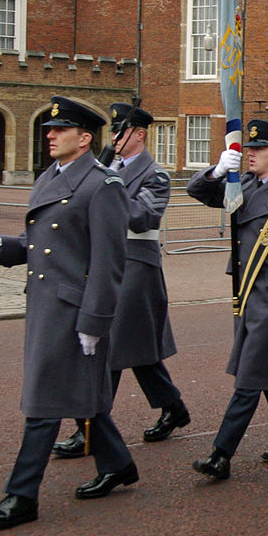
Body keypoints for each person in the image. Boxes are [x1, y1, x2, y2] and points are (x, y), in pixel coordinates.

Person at [0, 96, 136, 529]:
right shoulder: (51, 177)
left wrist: (95, 322)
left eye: (60, 130)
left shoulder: (104, 186)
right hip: (45, 303)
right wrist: (0, 247)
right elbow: (44, 246)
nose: (50, 134)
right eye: (49, 129)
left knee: (44, 401)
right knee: (83, 395)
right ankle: (117, 464)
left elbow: (108, 262)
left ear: (84, 139)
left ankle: (21, 495)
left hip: (74, 309)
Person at [53, 103, 189, 458]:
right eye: (113, 132)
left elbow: (142, 217)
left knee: (106, 345)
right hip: (103, 265)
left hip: (134, 268)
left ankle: (89, 428)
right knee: (137, 350)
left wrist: (107, 185)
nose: (114, 138)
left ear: (140, 134)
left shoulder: (153, 175)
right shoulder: (102, 169)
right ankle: (173, 407)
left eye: (121, 132)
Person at [187, 119, 268, 480]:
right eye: (248, 150)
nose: (250, 155)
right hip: (246, 294)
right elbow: (197, 191)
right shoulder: (242, 184)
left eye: (258, 150)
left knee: (249, 377)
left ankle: (220, 454)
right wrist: (215, 172)